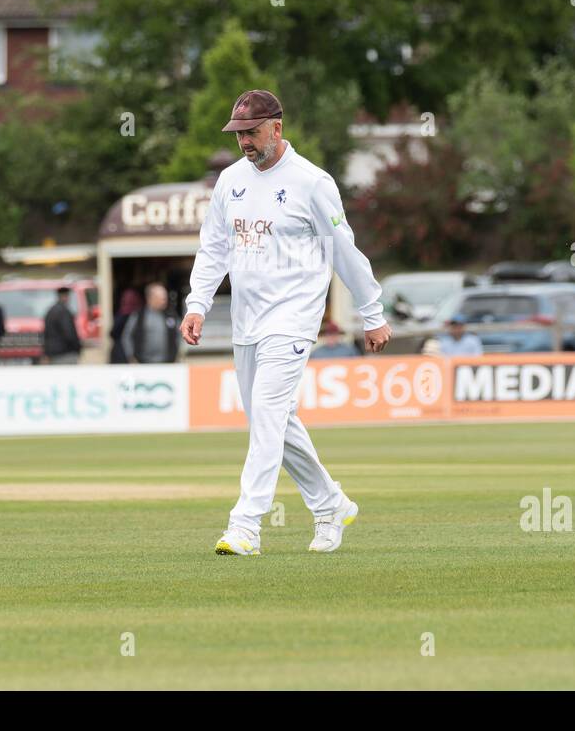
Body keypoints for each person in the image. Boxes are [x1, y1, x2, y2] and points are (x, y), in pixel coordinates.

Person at [181, 88, 391, 556]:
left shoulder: (312, 182)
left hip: (294, 319)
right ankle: (330, 504)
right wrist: (197, 304)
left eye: (252, 133)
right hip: (245, 320)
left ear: (277, 127)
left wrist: (371, 312)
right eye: (238, 135)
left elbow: (344, 250)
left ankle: (245, 527)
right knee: (273, 422)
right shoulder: (230, 181)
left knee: (269, 417)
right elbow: (214, 247)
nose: (245, 143)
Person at [121, 282, 179, 364]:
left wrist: (177, 355)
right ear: (150, 298)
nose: (164, 301)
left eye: (165, 298)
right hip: (143, 364)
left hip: (167, 364)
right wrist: (131, 357)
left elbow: (179, 336)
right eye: (161, 298)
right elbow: (126, 337)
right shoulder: (138, 316)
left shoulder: (171, 315)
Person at [43, 285, 82, 364]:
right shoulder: (64, 312)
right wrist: (77, 347)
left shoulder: (50, 311)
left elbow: (46, 334)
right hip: (65, 353)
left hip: (53, 353)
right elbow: (69, 333)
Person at [109, 288, 142, 363]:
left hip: (122, 351)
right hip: (122, 352)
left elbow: (112, 333)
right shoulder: (135, 315)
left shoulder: (129, 315)